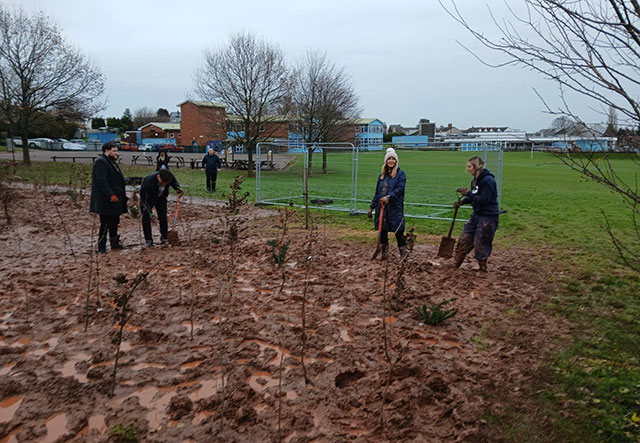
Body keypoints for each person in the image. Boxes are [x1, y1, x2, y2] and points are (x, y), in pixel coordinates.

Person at [453, 156, 500, 272]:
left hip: (488, 216)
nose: (467, 169)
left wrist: (468, 194)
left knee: (481, 242)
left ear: (476, 167)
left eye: (469, 166)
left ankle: (482, 268)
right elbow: (475, 197)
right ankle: (455, 265)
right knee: (464, 238)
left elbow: (484, 199)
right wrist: (463, 201)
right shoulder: (474, 181)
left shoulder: (488, 181)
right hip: (477, 214)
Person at [367, 148, 407, 260]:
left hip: (395, 208)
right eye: (389, 159)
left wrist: (389, 197)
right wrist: (371, 206)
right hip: (382, 209)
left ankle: (403, 255)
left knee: (399, 231)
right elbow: (377, 193)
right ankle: (384, 255)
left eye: (393, 159)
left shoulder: (400, 175)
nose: (391, 161)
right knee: (383, 231)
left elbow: (400, 189)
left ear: (396, 161)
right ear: (385, 161)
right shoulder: (382, 176)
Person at [90, 141, 128, 253]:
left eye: (117, 150)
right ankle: (101, 247)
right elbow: (102, 181)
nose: (117, 153)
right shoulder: (101, 162)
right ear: (107, 151)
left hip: (115, 199)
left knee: (114, 221)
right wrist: (110, 194)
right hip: (106, 200)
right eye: (114, 151)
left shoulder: (111, 162)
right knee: (105, 223)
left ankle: (114, 243)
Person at [140, 168, 184, 247]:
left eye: (166, 183)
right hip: (148, 199)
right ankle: (149, 240)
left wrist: (177, 188)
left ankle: (164, 238)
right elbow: (144, 199)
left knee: (163, 216)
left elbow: (174, 182)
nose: (164, 184)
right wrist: (149, 211)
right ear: (158, 177)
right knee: (146, 218)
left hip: (161, 198)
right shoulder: (148, 182)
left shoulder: (168, 176)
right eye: (162, 182)